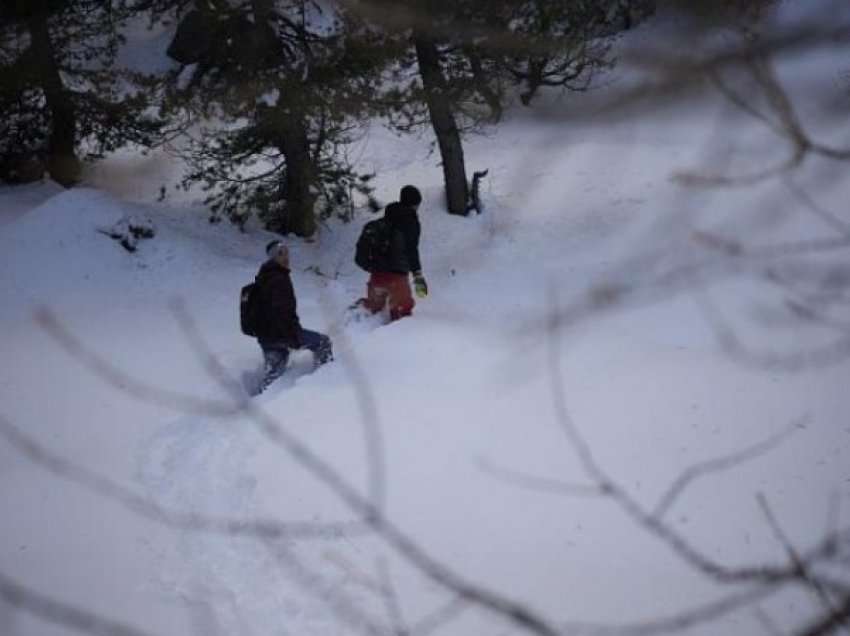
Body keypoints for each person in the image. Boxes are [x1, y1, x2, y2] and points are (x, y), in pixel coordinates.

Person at [254, 240, 332, 393]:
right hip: (284, 333)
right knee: (323, 342)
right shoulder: (278, 278)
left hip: (265, 336)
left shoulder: (263, 276)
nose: (286, 257)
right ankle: (327, 376)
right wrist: (291, 337)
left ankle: (261, 399)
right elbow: (280, 311)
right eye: (281, 253)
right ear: (272, 257)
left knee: (274, 371)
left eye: (287, 252)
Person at [361, 185, 429, 321]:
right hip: (396, 279)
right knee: (402, 317)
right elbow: (412, 250)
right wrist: (418, 275)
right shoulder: (410, 223)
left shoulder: (386, 220)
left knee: (372, 315)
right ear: (414, 204)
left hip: (376, 278)